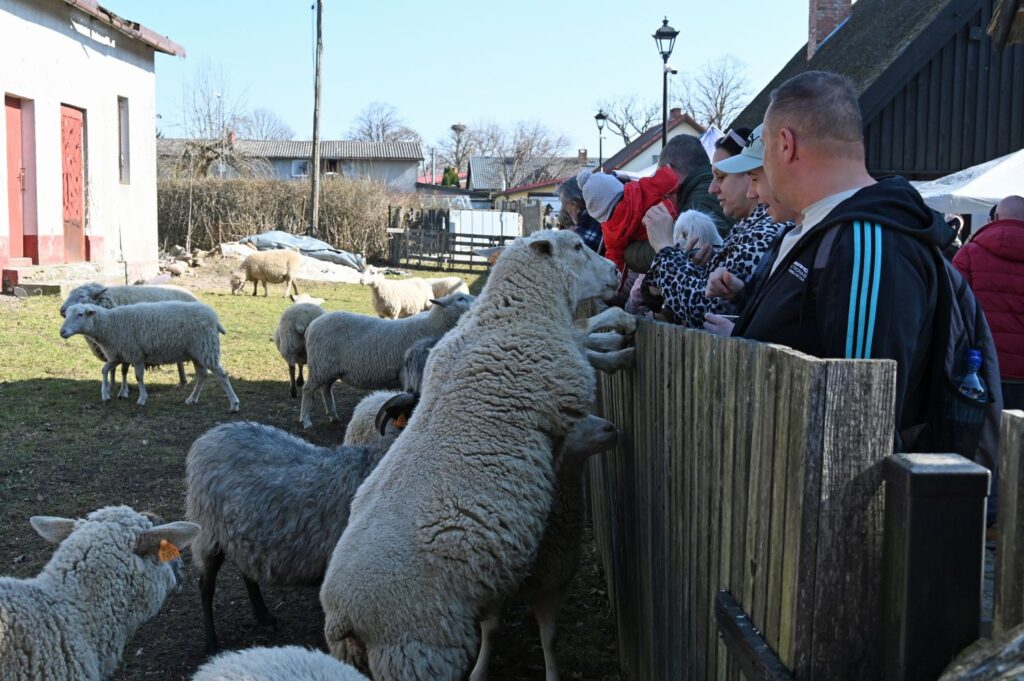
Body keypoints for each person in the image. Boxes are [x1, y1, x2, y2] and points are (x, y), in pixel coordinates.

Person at [727, 71, 951, 448]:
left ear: (786, 145)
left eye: (762, 148)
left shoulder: (867, 241)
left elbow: (859, 423)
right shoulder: (825, 231)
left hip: (822, 498)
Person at [641, 127, 792, 327]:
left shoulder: (768, 230)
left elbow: (703, 312)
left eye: (721, 176)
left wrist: (664, 248)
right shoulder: (746, 228)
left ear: (751, 175)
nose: (712, 188)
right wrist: (684, 266)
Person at [953, 195, 1024, 409]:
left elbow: (953, 312)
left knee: (983, 440)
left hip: (980, 372)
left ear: (996, 217)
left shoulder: (968, 255)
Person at [623, 134, 732, 274]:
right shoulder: (702, 190)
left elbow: (671, 250)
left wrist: (627, 249)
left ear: (668, 170)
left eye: (659, 176)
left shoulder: (702, 200)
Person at [575, 164, 679, 274]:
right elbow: (671, 178)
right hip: (677, 230)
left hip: (657, 256)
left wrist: (615, 287)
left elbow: (615, 264)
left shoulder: (611, 232)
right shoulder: (645, 187)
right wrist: (667, 166)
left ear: (598, 212)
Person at [557, 176, 603, 253]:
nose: (564, 209)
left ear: (573, 204)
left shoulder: (589, 217)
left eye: (564, 204)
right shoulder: (599, 209)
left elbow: (575, 253)